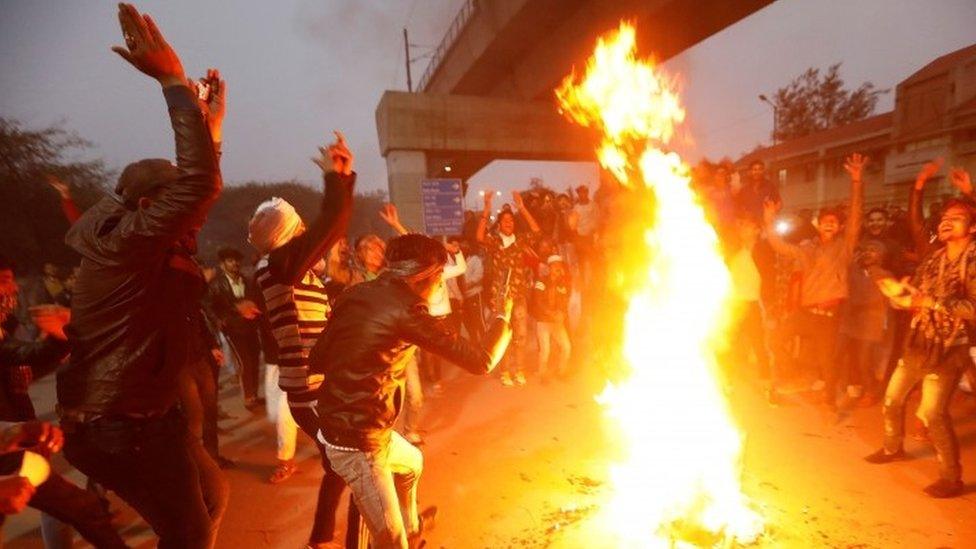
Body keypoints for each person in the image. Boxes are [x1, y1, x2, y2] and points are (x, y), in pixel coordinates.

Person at [56, 5, 228, 546]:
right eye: (173, 200)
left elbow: (195, 201)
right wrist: (174, 84)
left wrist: (211, 129)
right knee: (190, 533)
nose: (188, 217)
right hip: (119, 427)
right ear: (152, 203)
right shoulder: (127, 245)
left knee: (210, 501)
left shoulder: (145, 242)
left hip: (144, 417)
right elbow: (198, 189)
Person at [311, 234, 513, 548]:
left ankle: (412, 526)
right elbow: (481, 361)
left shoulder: (357, 293)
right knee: (391, 541)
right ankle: (399, 536)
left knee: (412, 463)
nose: (439, 286)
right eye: (439, 279)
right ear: (424, 276)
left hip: (347, 424)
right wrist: (502, 317)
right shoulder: (408, 309)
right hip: (358, 441)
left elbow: (319, 357)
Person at [249, 132, 355, 546]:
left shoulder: (284, 267)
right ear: (288, 233)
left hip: (314, 387)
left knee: (341, 465)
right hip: (312, 391)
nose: (306, 228)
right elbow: (333, 226)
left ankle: (322, 538)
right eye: (299, 224)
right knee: (356, 465)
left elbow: (329, 229)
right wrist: (336, 179)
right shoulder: (279, 265)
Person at [867, 194, 976, 498]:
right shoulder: (933, 258)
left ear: (972, 227)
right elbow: (913, 294)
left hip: (950, 349)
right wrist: (896, 293)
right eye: (944, 217)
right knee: (892, 399)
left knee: (932, 413)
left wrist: (931, 301)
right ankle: (892, 448)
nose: (946, 221)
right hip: (918, 342)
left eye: (956, 217)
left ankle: (951, 478)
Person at [763, 153, 866, 408]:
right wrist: (769, 219)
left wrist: (856, 181)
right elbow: (780, 246)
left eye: (834, 222)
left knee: (827, 361)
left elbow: (856, 218)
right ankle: (795, 374)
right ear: (818, 225)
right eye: (825, 221)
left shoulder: (845, 247)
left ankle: (829, 402)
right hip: (805, 313)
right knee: (774, 338)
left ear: (839, 227)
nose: (830, 225)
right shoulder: (808, 248)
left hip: (829, 316)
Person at [476, 190, 541, 386]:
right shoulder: (494, 242)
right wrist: (486, 209)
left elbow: (537, 232)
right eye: (505, 221)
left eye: (511, 221)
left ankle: (518, 370)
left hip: (519, 295)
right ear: (500, 224)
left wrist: (522, 208)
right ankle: (504, 371)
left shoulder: (521, 241)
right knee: (503, 335)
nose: (508, 224)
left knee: (520, 335)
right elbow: (479, 237)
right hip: (501, 298)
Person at [207, 246, 264, 410]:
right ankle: (248, 398)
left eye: (237, 260)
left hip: (250, 327)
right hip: (233, 329)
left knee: (254, 360)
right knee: (244, 361)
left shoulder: (246, 280)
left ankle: (254, 394)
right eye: (230, 261)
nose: (235, 264)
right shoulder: (217, 285)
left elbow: (254, 299)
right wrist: (222, 318)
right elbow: (209, 306)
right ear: (222, 264)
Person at [530, 255, 572, 381]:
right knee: (545, 350)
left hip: (556, 322)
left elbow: (564, 301)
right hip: (543, 321)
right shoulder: (541, 281)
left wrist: (561, 314)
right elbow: (538, 301)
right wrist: (550, 313)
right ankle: (542, 373)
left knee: (566, 347)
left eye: (559, 266)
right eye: (555, 266)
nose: (557, 269)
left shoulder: (563, 284)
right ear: (549, 268)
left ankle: (561, 371)